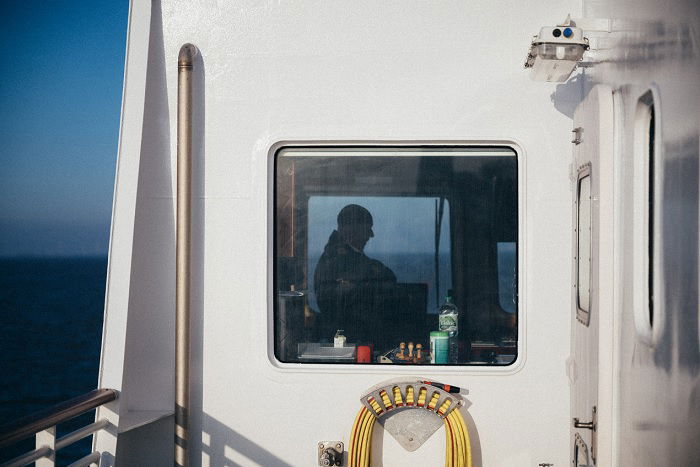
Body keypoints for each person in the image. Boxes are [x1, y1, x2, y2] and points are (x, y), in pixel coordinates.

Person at [314, 204, 397, 345]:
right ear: (351, 230)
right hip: (350, 338)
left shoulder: (340, 257)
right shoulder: (339, 260)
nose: (370, 236)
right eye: (366, 230)